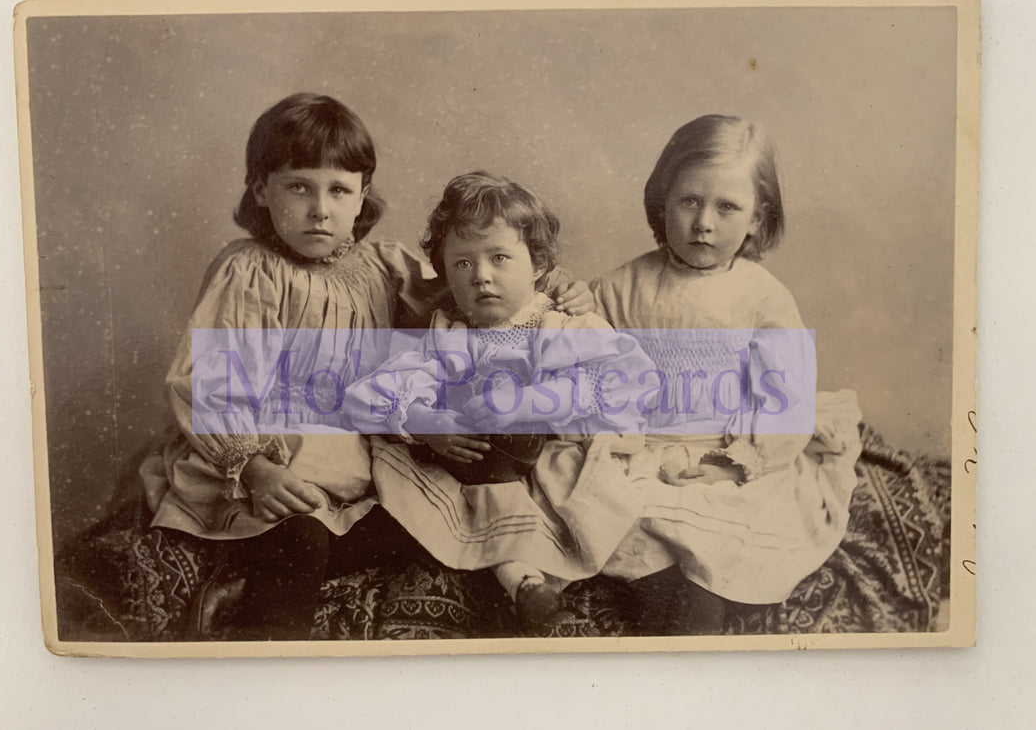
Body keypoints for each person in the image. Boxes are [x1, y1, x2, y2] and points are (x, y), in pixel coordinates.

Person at [138, 94, 593, 640]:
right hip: (271, 453)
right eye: (298, 186)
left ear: (362, 197)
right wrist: (257, 469)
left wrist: (552, 286)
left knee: (441, 518)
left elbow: (471, 293)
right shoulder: (249, 270)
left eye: (338, 190)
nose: (319, 209)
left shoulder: (382, 266)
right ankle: (261, 649)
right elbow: (210, 384)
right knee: (299, 535)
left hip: (359, 457)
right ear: (261, 189)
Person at [345, 171, 654, 628]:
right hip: (475, 465)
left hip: (549, 458)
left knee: (569, 492)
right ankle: (523, 583)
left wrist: (533, 401)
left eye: (499, 258)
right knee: (418, 488)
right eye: (462, 264)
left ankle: (525, 580)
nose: (481, 276)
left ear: (539, 265)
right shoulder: (450, 332)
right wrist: (426, 423)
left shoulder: (563, 325)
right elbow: (374, 393)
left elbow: (632, 382)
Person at [593, 114, 862, 635]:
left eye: (727, 207)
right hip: (640, 455)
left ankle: (697, 642)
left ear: (758, 219)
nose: (704, 223)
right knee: (638, 542)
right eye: (689, 201)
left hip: (726, 457)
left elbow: (786, 403)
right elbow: (591, 379)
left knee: (713, 559)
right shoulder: (619, 288)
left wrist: (734, 465)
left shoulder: (762, 297)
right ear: (661, 203)